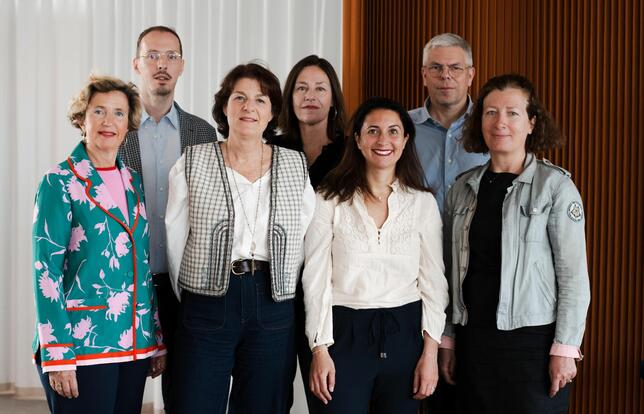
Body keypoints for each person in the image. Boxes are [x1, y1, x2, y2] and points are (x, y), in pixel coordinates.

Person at [165, 62, 316, 413]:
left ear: (272, 112)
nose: (249, 107)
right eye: (240, 98)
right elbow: (175, 238)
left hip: (273, 303)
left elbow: (303, 240)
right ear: (224, 106)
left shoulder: (294, 165)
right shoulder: (193, 160)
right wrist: (192, 293)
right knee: (194, 403)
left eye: (261, 100)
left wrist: (282, 285)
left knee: (264, 404)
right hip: (206, 301)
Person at [442, 74, 591, 413]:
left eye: (512, 113)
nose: (500, 122)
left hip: (533, 344)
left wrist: (566, 348)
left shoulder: (555, 187)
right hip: (472, 341)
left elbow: (573, 277)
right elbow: (448, 274)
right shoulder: (462, 189)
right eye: (491, 112)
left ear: (531, 122)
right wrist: (448, 339)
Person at [303, 97, 449, 413]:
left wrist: (430, 352)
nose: (384, 140)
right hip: (343, 335)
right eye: (373, 131)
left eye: (393, 131)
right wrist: (319, 348)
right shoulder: (328, 200)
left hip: (405, 335)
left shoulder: (422, 203)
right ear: (357, 139)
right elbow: (315, 279)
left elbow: (434, 283)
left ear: (406, 139)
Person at [32, 75, 165, 414]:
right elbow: (46, 271)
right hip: (81, 345)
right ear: (81, 119)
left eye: (119, 113)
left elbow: (142, 264)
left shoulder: (133, 180)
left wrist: (155, 337)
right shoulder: (59, 181)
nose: (109, 121)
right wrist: (57, 354)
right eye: (99, 111)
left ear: (128, 124)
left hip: (132, 344)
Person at [118, 25, 216, 412]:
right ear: (136, 64)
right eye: (153, 56)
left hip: (184, 287)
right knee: (123, 392)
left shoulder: (202, 133)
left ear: (182, 65)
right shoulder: (116, 128)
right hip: (128, 285)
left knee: (187, 395)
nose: (163, 64)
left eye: (171, 56)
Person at [269, 54, 346, 412]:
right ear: (289, 97)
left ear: (333, 98)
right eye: (301, 88)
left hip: (333, 290)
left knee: (327, 397)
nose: (310, 96)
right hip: (278, 289)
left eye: (319, 88)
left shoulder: (351, 151)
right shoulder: (271, 149)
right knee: (270, 393)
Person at [409, 33, 488, 215]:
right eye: (436, 67)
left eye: (455, 68)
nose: (445, 75)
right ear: (424, 75)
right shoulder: (401, 127)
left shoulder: (492, 126)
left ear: (470, 75)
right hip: (417, 233)